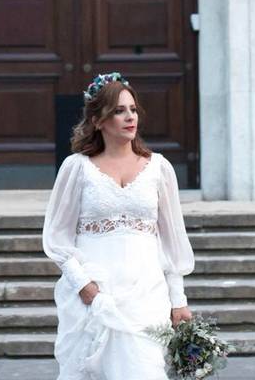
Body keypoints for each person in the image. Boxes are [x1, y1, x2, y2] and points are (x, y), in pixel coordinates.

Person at [43, 72, 194, 380]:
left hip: (146, 293)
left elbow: (172, 241)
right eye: (119, 110)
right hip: (97, 293)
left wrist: (178, 301)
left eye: (133, 109)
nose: (130, 117)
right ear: (98, 120)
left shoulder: (159, 168)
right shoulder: (77, 168)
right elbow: (57, 237)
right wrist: (84, 286)